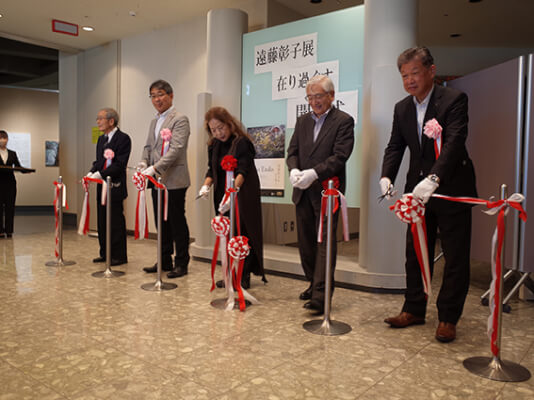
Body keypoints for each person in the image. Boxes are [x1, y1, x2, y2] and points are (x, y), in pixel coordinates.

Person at [380, 47, 477, 343]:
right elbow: (395, 146)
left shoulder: (454, 100)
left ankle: (448, 317)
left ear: (431, 71)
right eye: (404, 75)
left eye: (415, 73)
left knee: (455, 255)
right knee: (415, 251)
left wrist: (435, 178)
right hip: (416, 192)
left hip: (451, 188)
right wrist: (386, 175)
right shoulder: (402, 108)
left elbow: (455, 142)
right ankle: (413, 309)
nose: (410, 80)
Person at [286, 75, 355, 314]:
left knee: (325, 243)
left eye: (319, 96)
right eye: (310, 97)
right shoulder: (302, 121)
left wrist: (314, 173)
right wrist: (294, 168)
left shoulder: (344, 121)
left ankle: (321, 295)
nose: (314, 101)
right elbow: (292, 151)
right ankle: (313, 284)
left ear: (331, 96)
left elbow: (340, 156)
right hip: (302, 192)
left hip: (327, 192)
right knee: (306, 243)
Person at [198, 106, 266, 289]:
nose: (219, 133)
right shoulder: (213, 145)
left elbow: (243, 170)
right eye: (214, 130)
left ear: (229, 124)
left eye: (221, 127)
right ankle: (229, 272)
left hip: (242, 194)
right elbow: (211, 169)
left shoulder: (241, 142)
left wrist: (232, 193)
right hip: (222, 196)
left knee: (242, 233)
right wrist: (205, 186)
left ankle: (244, 275)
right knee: (226, 235)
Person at [138, 79, 191, 279]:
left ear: (170, 95)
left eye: (160, 94)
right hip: (157, 181)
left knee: (177, 222)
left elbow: (176, 149)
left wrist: (155, 168)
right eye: (153, 96)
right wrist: (144, 163)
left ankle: (181, 263)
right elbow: (148, 147)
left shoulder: (180, 119)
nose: (157, 99)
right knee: (160, 222)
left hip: (175, 179)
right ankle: (164, 259)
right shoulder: (154, 121)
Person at [87, 108, 131, 266]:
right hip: (102, 187)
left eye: (101, 118)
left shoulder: (123, 139)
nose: (98, 122)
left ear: (111, 121)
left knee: (116, 221)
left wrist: (101, 173)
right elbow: (98, 161)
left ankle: (118, 256)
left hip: (115, 186)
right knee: (102, 220)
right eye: (97, 118)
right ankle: (105, 252)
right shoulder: (101, 140)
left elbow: (120, 164)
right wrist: (91, 172)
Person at [0, 130, 22, 238]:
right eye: (1, 138)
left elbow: (18, 166)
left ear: (7, 139)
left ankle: (9, 230)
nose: (3, 140)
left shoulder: (12, 153)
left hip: (10, 184)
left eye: (4, 138)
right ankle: (0, 230)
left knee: (10, 207)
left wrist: (27, 171)